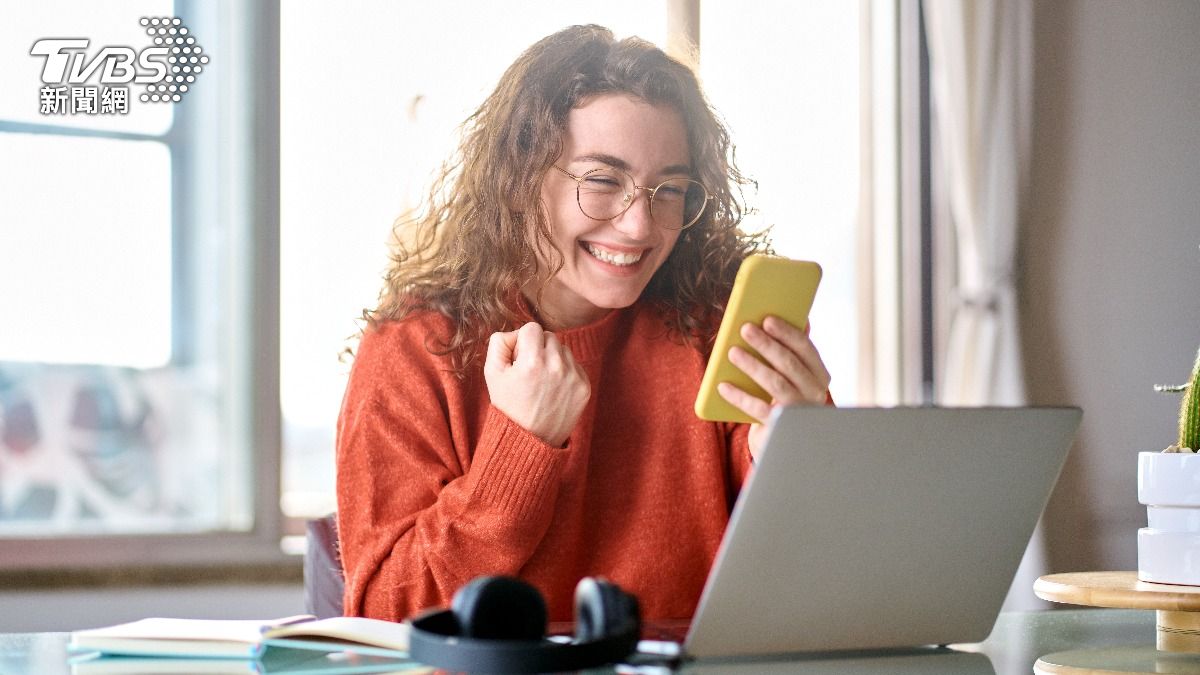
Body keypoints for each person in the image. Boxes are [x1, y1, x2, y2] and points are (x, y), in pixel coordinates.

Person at [336, 24, 832, 624]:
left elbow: (815, 594)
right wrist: (519, 449)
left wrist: (797, 454)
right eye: (601, 181)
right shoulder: (413, 352)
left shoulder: (713, 333)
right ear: (519, 178)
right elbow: (382, 620)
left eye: (669, 189)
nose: (640, 227)